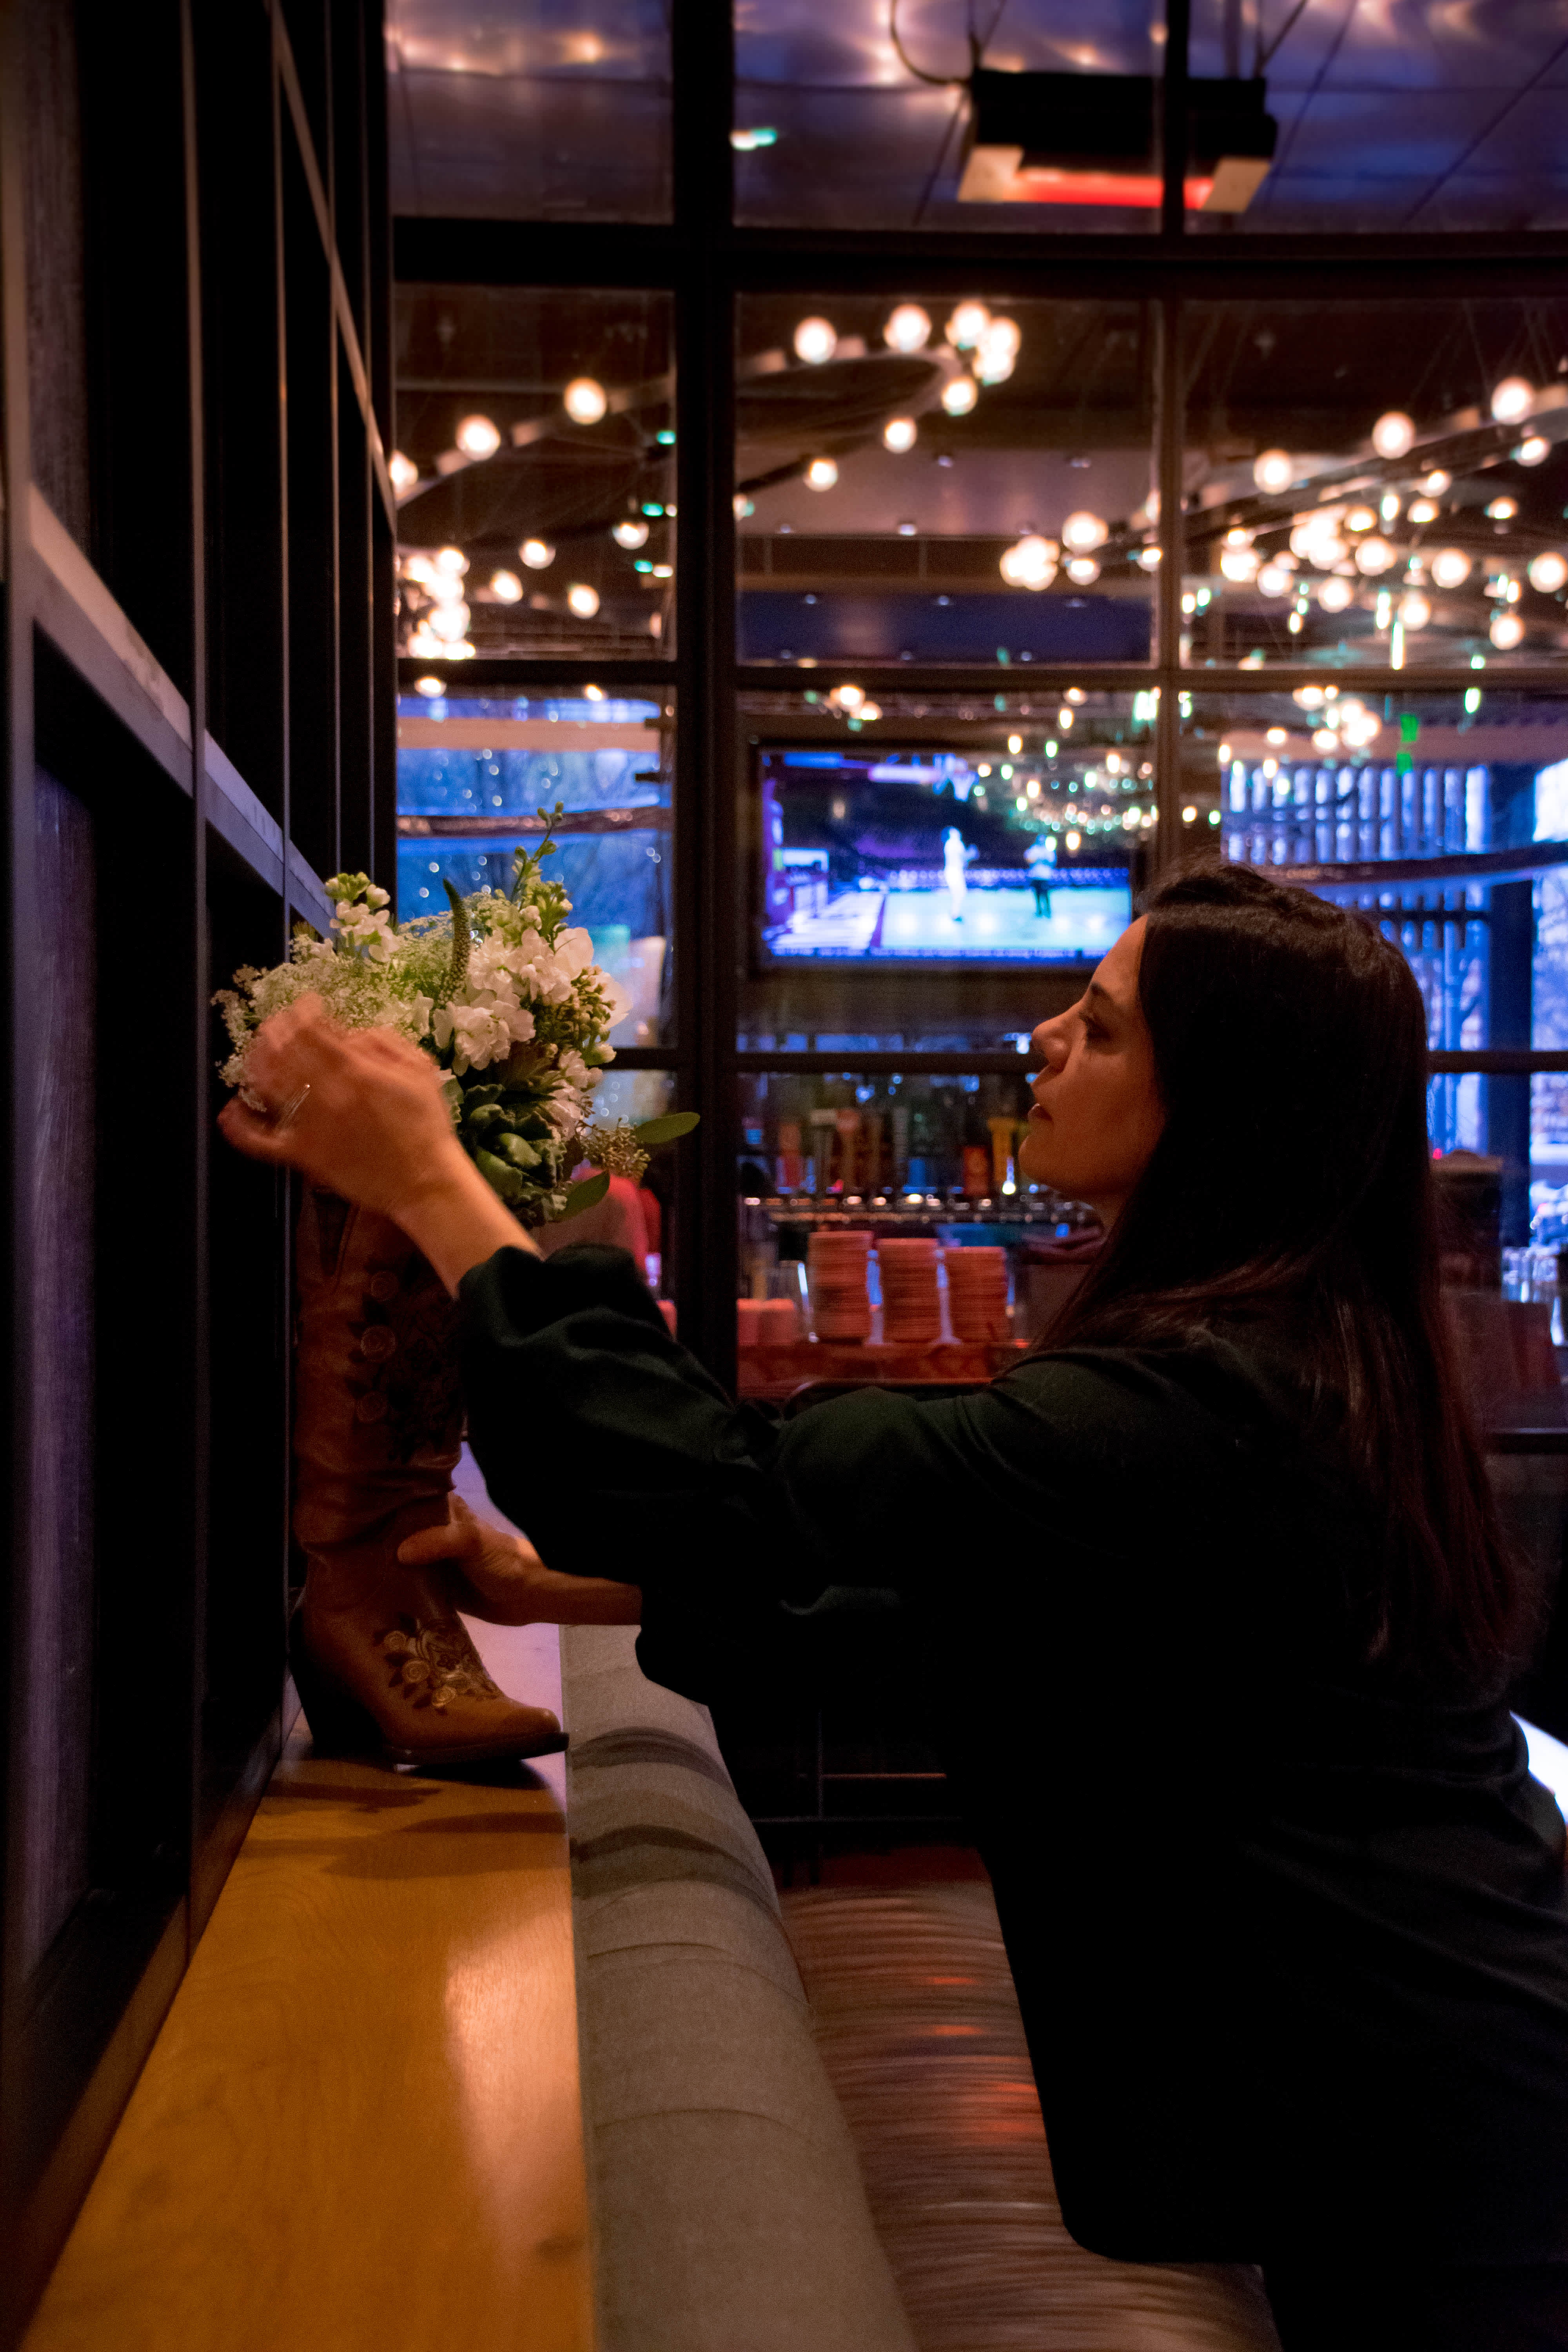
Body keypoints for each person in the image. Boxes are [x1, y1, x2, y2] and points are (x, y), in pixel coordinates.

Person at [221, 866, 1568, 2352]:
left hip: (1456, 2149)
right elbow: (984, 1620)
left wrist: (431, 1180)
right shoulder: (1295, 1361)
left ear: (1219, 1109)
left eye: (1103, 1027)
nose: (1044, 1037)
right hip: (1432, 2104)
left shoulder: (1197, 1404)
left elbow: (721, 1478)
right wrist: (578, 1589)